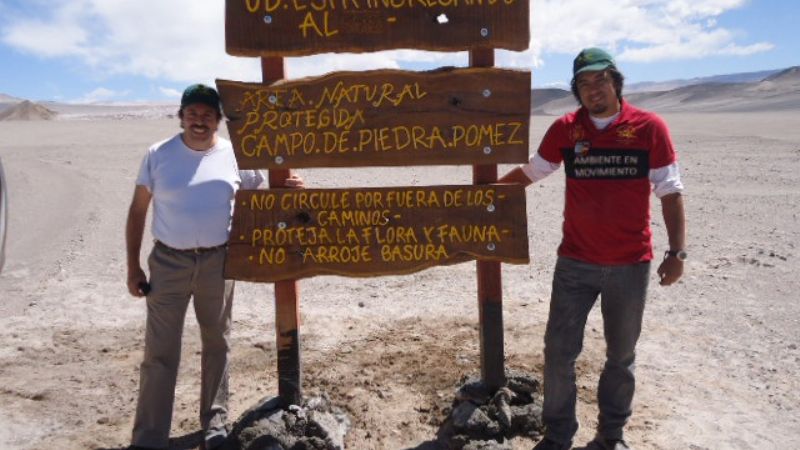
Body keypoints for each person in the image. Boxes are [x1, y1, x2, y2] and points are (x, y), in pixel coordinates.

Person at [500, 48, 686, 450]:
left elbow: (670, 191)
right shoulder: (566, 128)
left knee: (621, 356)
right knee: (559, 351)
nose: (593, 88)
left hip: (630, 265)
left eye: (600, 79)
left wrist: (677, 253)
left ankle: (611, 436)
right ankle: (558, 434)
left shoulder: (649, 127)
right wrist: (487, 195)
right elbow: (535, 171)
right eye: (584, 82)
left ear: (616, 82)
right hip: (575, 263)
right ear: (576, 90)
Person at [125, 84, 301, 450]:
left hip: (218, 261)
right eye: (192, 113)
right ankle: (149, 437)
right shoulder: (159, 154)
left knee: (217, 342)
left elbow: (260, 195)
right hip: (167, 262)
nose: (199, 121)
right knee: (160, 351)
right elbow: (138, 209)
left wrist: (291, 187)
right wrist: (133, 266)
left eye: (207, 114)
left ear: (219, 120)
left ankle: (215, 426)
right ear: (181, 116)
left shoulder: (234, 157)